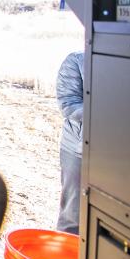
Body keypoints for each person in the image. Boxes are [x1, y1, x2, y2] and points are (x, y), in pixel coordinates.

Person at [55, 51, 84, 234]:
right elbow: (68, 103)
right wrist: (108, 113)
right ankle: (66, 252)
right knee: (72, 211)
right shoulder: (76, 60)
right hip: (76, 148)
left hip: (116, 151)